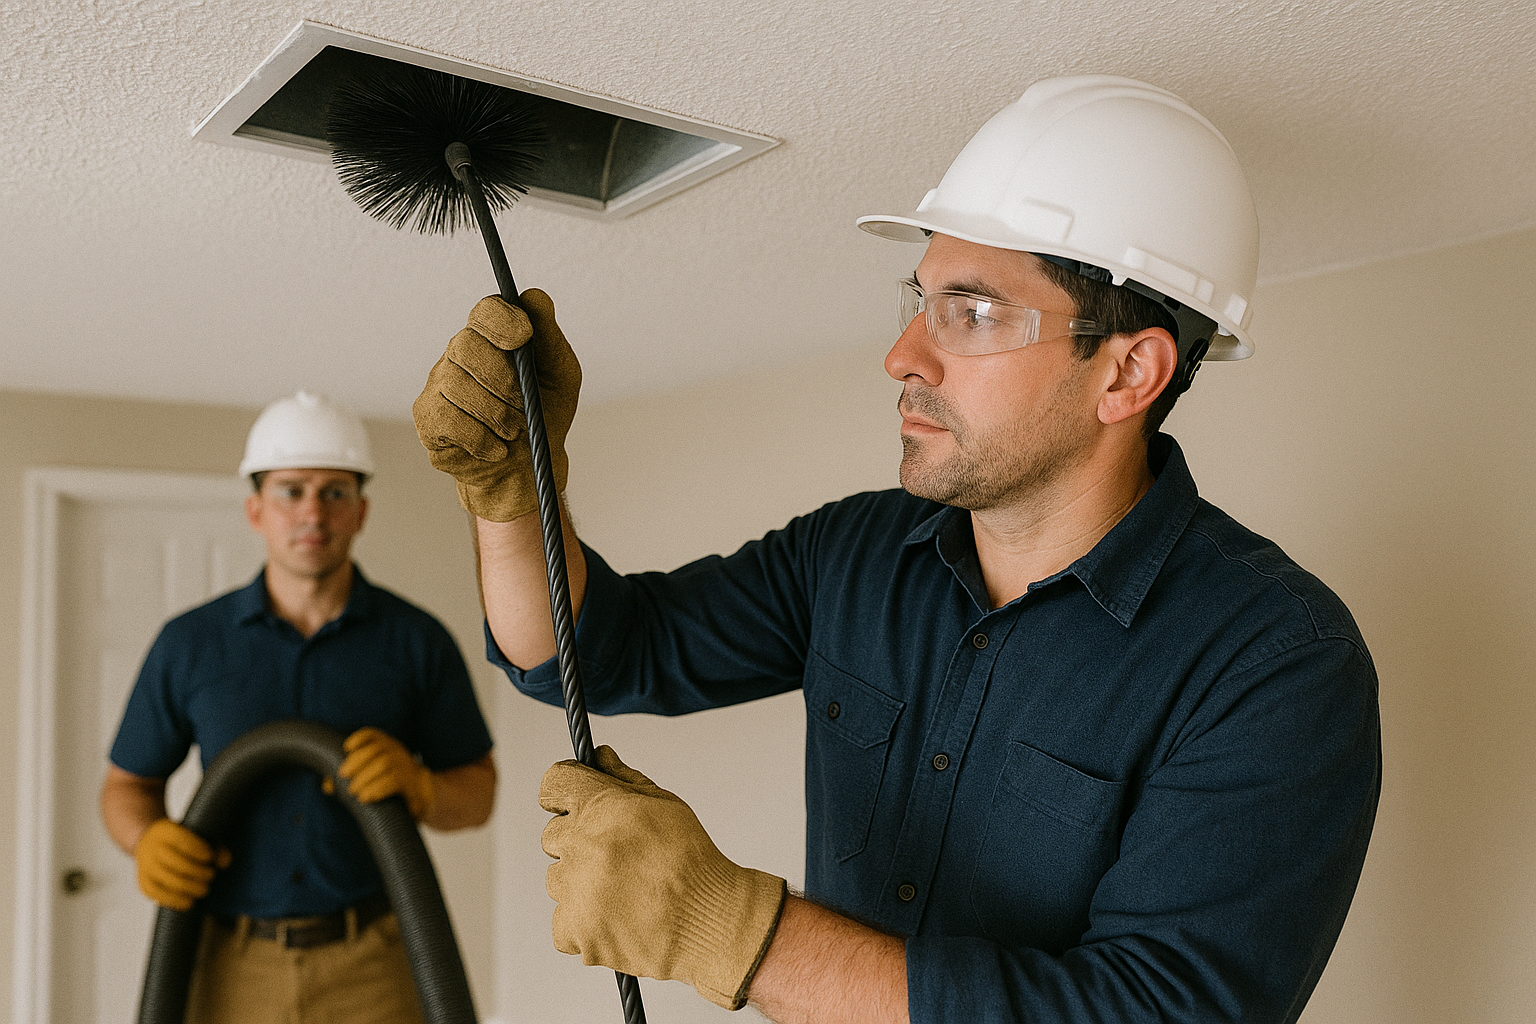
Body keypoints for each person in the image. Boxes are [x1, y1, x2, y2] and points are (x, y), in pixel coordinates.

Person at [412, 76, 1380, 1023]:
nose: (905, 356)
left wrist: (735, 932)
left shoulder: (1274, 661)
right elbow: (590, 651)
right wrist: (509, 493)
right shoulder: (862, 549)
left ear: (1128, 370)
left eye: (973, 311)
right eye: (919, 301)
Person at [101, 391, 496, 1024]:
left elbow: (478, 791)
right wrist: (147, 840)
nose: (313, 511)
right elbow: (125, 787)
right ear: (256, 509)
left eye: (334, 492)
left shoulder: (416, 640)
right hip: (230, 960)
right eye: (291, 491)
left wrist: (420, 787)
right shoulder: (190, 644)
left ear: (361, 511)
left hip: (373, 957)